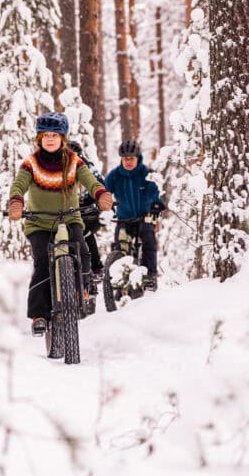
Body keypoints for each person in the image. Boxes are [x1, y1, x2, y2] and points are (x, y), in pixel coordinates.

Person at [9, 112, 113, 335]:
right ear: (39, 139)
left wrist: (101, 194)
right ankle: (39, 315)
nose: (50, 139)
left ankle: (82, 290)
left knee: (83, 251)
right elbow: (19, 185)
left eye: (55, 135)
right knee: (42, 263)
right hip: (39, 223)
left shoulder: (75, 162)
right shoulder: (31, 163)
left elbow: (90, 181)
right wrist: (16, 202)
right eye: (45, 135)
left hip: (70, 218)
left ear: (63, 139)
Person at [104, 139, 164, 291]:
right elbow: (104, 193)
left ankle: (150, 276)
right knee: (119, 244)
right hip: (124, 218)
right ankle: (120, 280)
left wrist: (156, 204)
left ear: (138, 158)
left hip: (145, 216)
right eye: (125, 159)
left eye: (131, 158)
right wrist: (103, 205)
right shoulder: (114, 175)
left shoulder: (147, 174)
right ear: (121, 159)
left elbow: (155, 192)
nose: (128, 161)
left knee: (148, 237)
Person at [66, 140, 105, 281]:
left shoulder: (88, 168)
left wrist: (100, 203)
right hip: (65, 212)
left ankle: (96, 267)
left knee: (86, 233)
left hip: (87, 210)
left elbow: (100, 185)